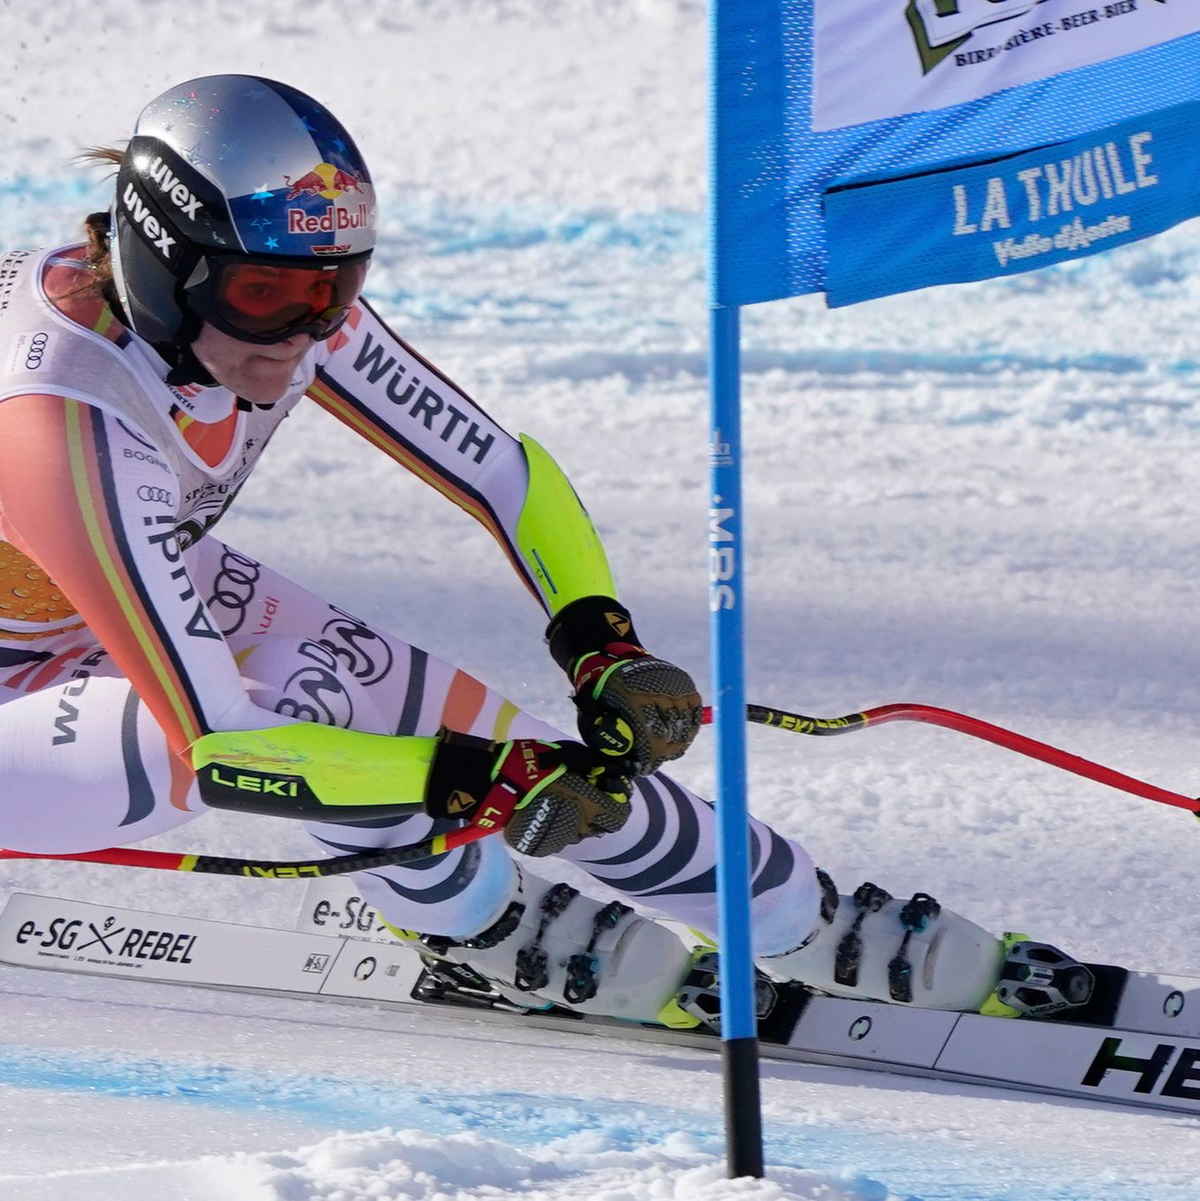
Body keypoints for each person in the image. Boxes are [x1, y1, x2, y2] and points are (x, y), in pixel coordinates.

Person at [0, 74, 1089, 1027]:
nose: (305, 333)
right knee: (324, 726)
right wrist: (480, 785)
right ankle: (488, 931)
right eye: (268, 298)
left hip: (95, 601)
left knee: (467, 727)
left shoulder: (268, 296)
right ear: (161, 260)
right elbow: (226, 753)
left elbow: (504, 474)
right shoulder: (63, 420)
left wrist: (601, 643)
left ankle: (801, 915)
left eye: (336, 290)